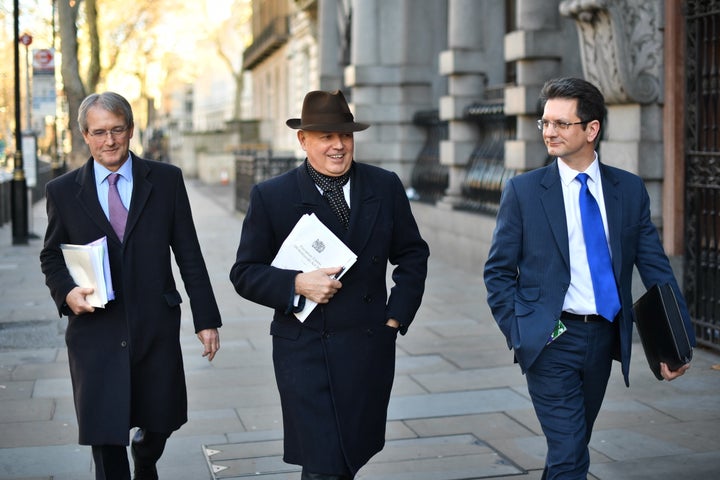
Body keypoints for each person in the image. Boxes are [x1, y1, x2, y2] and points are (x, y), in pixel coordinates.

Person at [483, 77, 695, 479]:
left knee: (572, 447)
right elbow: (497, 271)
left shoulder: (628, 190)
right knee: (569, 455)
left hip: (603, 339)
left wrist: (677, 342)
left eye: (562, 123)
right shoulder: (524, 192)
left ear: (591, 129)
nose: (549, 132)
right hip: (551, 340)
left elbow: (656, 269)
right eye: (545, 122)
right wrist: (521, 331)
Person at [229, 89, 429, 479]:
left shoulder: (384, 186)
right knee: (323, 464)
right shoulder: (272, 196)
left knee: (349, 457)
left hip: (368, 346)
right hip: (304, 352)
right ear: (303, 141)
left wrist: (394, 319)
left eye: (346, 136)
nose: (338, 146)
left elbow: (412, 255)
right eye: (326, 136)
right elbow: (244, 272)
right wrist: (297, 284)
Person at [39, 92, 222, 480]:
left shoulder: (166, 180)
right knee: (105, 435)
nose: (109, 141)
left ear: (131, 130)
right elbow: (51, 256)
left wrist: (206, 319)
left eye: (117, 130)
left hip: (155, 323)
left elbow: (189, 253)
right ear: (85, 136)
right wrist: (67, 293)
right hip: (95, 331)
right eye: (99, 132)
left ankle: (146, 453)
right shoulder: (62, 191)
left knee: (162, 418)